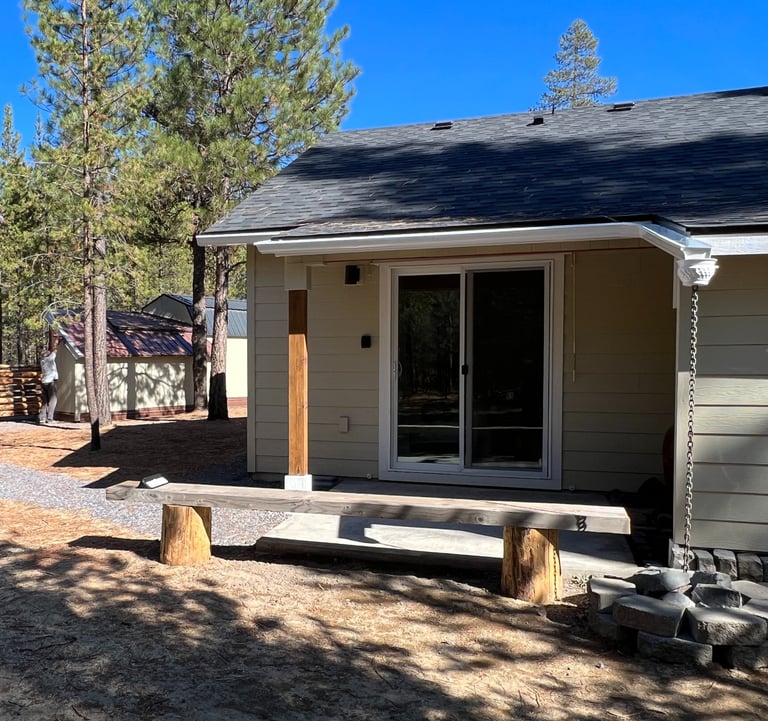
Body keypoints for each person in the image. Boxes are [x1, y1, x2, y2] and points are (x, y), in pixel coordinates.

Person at [40, 336, 61, 424]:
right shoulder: (50, 358)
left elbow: (53, 350)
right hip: (50, 382)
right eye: (47, 351)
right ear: (47, 354)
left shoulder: (42, 361)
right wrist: (56, 340)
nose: (49, 351)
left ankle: (42, 419)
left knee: (45, 401)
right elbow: (55, 349)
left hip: (44, 382)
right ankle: (50, 419)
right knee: (53, 400)